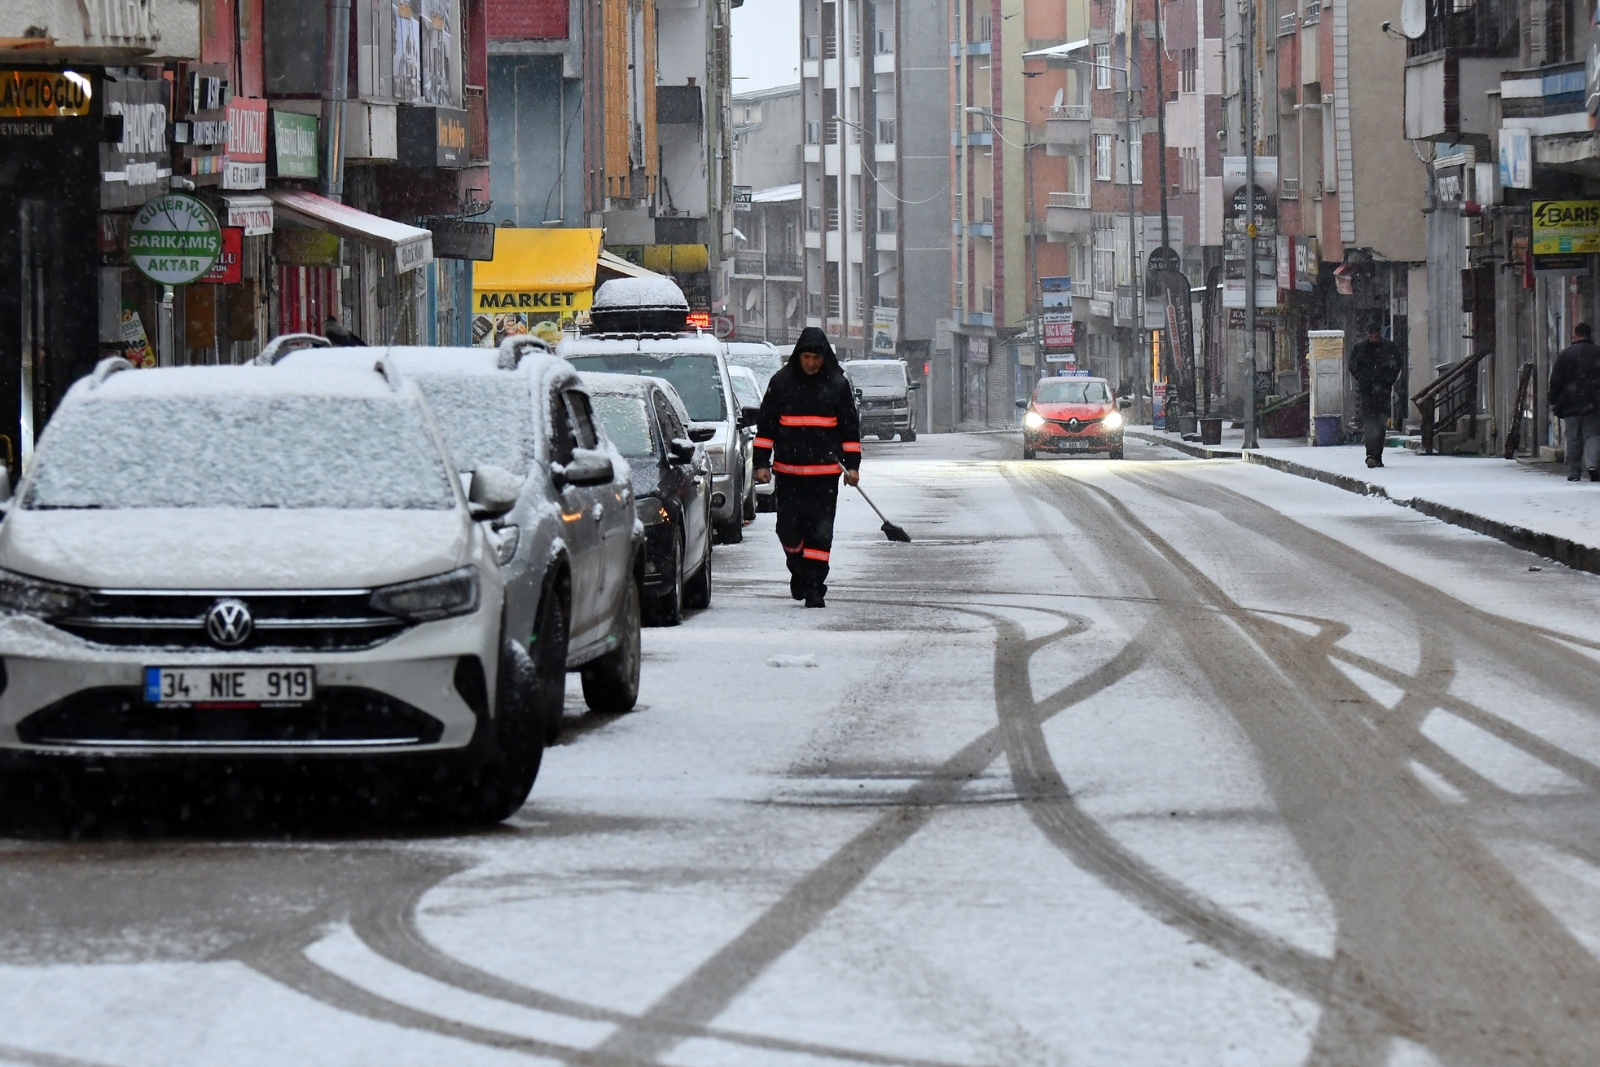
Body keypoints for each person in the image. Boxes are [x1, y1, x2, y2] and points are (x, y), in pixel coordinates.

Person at [752, 327, 861, 608]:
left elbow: (850, 429)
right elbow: (766, 426)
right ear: (798, 357)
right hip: (789, 474)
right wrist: (761, 462)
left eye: (816, 358)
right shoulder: (781, 383)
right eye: (806, 358)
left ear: (824, 358)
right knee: (787, 530)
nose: (811, 363)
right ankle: (798, 568)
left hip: (824, 477)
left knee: (820, 534)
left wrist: (853, 466)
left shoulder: (837, 385)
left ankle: (814, 587)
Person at [1548, 322, 1600, 481]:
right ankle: (1593, 465)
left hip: (1570, 403)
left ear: (1575, 335)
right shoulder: (1597, 353)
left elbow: (1555, 379)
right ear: (1589, 335)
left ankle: (1574, 471)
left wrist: (1554, 399)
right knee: (1593, 434)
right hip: (1594, 403)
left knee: (1573, 437)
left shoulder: (1566, 355)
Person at [1347, 321, 1402, 468]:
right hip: (1367, 391)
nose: (1373, 339)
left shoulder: (1389, 347)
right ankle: (1370, 454)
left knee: (1380, 423)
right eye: (1371, 336)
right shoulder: (1360, 348)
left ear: (1379, 333)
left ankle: (1378, 455)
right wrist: (1363, 380)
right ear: (1367, 334)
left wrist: (1388, 381)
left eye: (1376, 336)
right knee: (1370, 422)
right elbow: (1352, 366)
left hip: (1383, 390)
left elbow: (1397, 365)